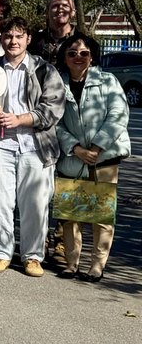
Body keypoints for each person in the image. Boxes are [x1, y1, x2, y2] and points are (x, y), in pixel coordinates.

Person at [0, 17, 66, 277]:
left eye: (19, 36)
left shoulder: (45, 70)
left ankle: (32, 256)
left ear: (28, 39)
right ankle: (1, 252)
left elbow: (53, 108)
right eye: (8, 36)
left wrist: (19, 119)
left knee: (35, 204)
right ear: (1, 39)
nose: (13, 41)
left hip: (35, 146)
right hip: (1, 144)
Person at [54, 32, 131, 282]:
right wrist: (75, 148)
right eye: (72, 53)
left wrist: (97, 148)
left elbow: (118, 114)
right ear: (64, 57)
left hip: (104, 158)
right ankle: (71, 263)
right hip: (73, 156)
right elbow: (55, 123)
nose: (78, 57)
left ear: (92, 56)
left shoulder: (108, 81)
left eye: (84, 53)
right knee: (70, 216)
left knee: (101, 215)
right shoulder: (59, 84)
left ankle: (97, 265)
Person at [29, 0, 76, 66]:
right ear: (47, 12)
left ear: (73, 12)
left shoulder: (83, 42)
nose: (60, 9)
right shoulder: (33, 42)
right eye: (55, 6)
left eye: (65, 6)